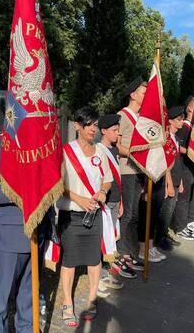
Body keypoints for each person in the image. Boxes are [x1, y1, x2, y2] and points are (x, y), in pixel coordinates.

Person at [0, 135, 48, 333]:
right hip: (10, 234)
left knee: (29, 294)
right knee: (1, 297)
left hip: (37, 231)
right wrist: (23, 189)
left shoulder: (41, 146)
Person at [56, 107, 113, 327]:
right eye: (88, 124)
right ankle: (68, 303)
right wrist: (79, 199)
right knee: (69, 261)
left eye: (95, 124)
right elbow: (57, 186)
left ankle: (91, 300)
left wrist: (102, 192)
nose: (93, 129)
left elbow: (106, 179)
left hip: (94, 215)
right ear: (78, 126)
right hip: (71, 214)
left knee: (93, 259)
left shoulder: (100, 151)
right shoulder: (65, 152)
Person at [114, 77, 148, 278]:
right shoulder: (122, 116)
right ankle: (122, 254)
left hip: (138, 171)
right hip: (126, 170)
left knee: (134, 214)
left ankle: (130, 252)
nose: (146, 97)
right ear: (133, 94)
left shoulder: (141, 118)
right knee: (126, 214)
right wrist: (133, 153)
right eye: (143, 93)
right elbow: (116, 144)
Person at [97, 114, 124, 293]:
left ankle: (105, 269)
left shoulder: (114, 150)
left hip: (115, 199)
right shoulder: (98, 150)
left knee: (110, 237)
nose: (117, 133)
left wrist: (120, 200)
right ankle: (98, 276)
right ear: (103, 131)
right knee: (101, 237)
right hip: (105, 201)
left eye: (118, 130)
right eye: (114, 130)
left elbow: (118, 176)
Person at [154, 106, 184, 252]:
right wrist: (169, 184)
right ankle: (159, 238)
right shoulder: (165, 138)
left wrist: (181, 182)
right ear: (170, 121)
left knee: (171, 209)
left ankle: (164, 234)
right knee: (165, 211)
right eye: (179, 119)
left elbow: (178, 161)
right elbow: (165, 164)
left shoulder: (176, 138)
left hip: (177, 178)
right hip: (168, 180)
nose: (182, 122)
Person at [173, 96, 194, 240]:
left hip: (191, 167)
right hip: (183, 167)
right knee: (183, 199)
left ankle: (188, 222)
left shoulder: (193, 128)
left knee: (190, 196)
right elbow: (178, 146)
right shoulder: (183, 127)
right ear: (190, 108)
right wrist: (191, 152)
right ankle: (180, 227)